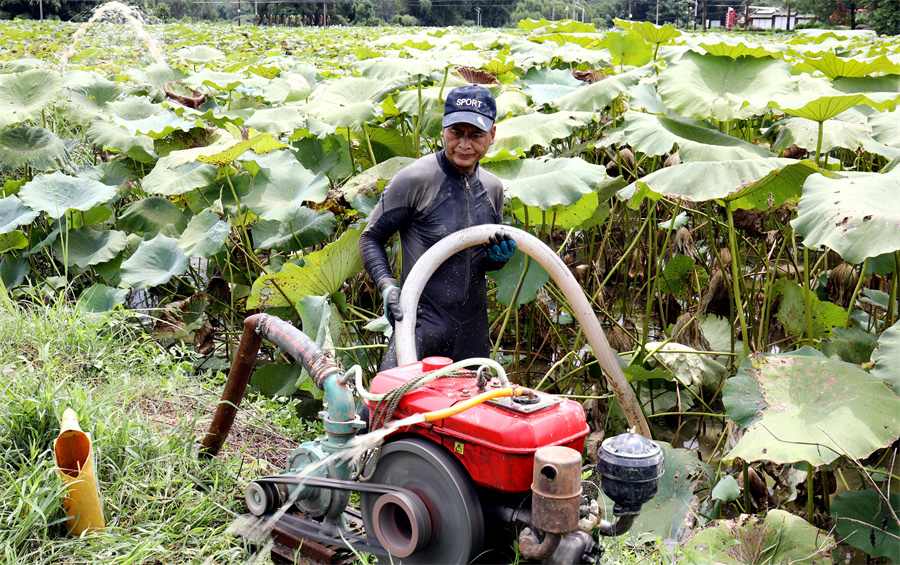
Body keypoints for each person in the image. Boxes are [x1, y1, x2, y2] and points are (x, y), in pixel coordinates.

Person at [359, 85, 518, 370]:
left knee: (468, 412)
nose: (465, 145)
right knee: (385, 406)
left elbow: (482, 261)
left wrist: (499, 258)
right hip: (421, 325)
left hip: (473, 331)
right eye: (457, 133)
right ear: (443, 130)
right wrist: (386, 287)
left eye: (476, 136)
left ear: (492, 135)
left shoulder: (493, 187)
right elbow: (371, 238)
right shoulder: (416, 179)